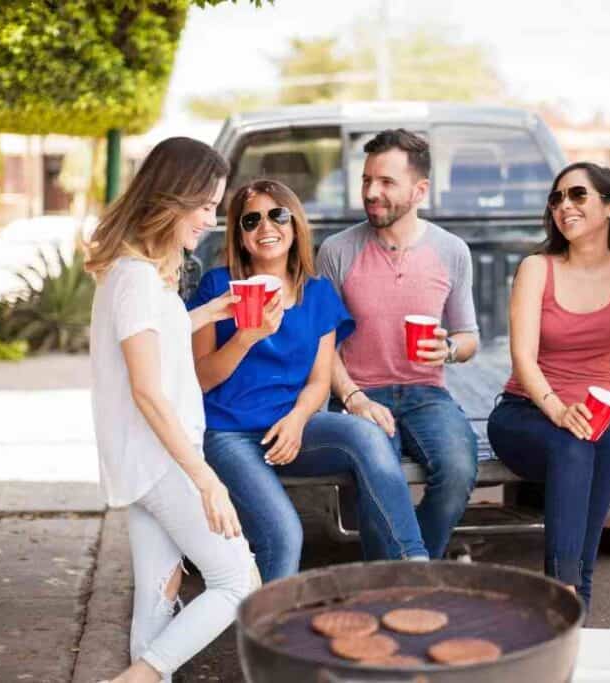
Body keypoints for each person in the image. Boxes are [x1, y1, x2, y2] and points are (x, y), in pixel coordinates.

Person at [187, 179, 428, 582]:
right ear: (240, 237)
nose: (266, 226)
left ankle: (412, 565)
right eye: (252, 220)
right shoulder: (217, 287)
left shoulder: (317, 294)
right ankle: (266, 637)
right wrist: (247, 337)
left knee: (371, 435)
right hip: (230, 434)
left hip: (293, 429)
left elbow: (320, 380)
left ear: (295, 224)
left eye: (278, 215)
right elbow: (201, 380)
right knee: (283, 535)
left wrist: (298, 419)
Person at [85, 137, 259, 683]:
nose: (212, 219)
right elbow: (147, 390)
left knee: (158, 596)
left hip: (147, 458)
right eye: (205, 206)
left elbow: (154, 339)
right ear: (172, 197)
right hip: (162, 458)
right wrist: (206, 479)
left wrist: (211, 310)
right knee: (237, 581)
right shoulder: (136, 278)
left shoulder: (138, 271)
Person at [486, 162, 610, 612]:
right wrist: (557, 410)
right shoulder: (538, 268)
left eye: (577, 195)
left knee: (608, 453)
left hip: (593, 422)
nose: (564, 206)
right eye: (556, 199)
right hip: (525, 412)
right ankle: (562, 590)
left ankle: (573, 621)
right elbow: (523, 358)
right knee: (574, 448)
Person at [317, 128, 479, 560]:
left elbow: (469, 338)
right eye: (367, 180)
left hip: (427, 393)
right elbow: (322, 345)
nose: (371, 192)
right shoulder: (337, 251)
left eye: (386, 182)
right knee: (380, 473)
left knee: (460, 469)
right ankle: (403, 575)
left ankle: (407, 567)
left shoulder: (451, 251)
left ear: (419, 190)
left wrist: (447, 350)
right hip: (360, 393)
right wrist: (351, 398)